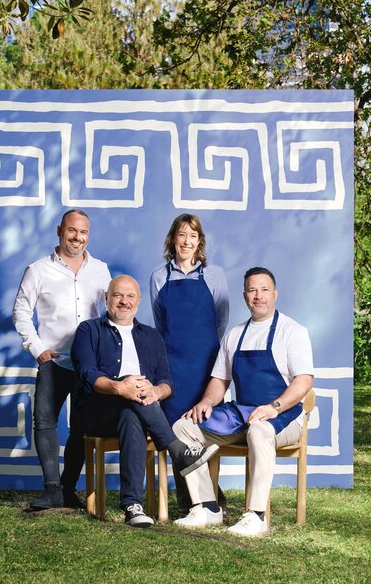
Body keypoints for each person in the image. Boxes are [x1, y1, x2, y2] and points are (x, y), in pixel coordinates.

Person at [173, 267, 314, 537]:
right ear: (244, 295)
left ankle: (256, 515)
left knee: (260, 429)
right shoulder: (235, 334)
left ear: (275, 294)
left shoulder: (292, 331)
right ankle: (207, 507)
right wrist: (206, 402)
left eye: (264, 290)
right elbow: (219, 380)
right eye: (252, 290)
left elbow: (303, 382)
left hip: (284, 416)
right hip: (243, 414)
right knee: (183, 427)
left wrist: (274, 408)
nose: (258, 296)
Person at [71, 275, 219, 528]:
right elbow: (87, 372)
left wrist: (155, 392)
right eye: (118, 295)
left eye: (130, 296)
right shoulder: (89, 330)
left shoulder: (151, 335)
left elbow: (166, 380)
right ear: (106, 299)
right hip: (99, 411)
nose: (124, 301)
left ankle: (133, 506)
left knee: (132, 414)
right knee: (132, 391)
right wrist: (120, 387)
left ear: (139, 301)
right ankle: (177, 450)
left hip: (138, 411)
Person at [12, 209, 111, 510]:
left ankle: (68, 489)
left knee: (81, 428)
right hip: (53, 362)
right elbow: (20, 311)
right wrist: (38, 349)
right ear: (59, 230)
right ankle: (52, 489)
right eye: (71, 230)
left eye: (83, 232)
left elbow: (108, 315)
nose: (77, 237)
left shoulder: (101, 270)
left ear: (88, 235)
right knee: (44, 423)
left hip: (87, 366)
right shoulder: (38, 269)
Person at [149, 213, 229, 516]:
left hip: (206, 364)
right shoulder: (159, 276)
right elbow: (160, 321)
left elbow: (221, 319)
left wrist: (209, 355)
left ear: (200, 241)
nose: (186, 241)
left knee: (202, 426)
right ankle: (194, 499)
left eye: (192, 236)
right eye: (181, 235)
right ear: (173, 239)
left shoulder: (215, 274)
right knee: (176, 429)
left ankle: (205, 497)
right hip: (172, 364)